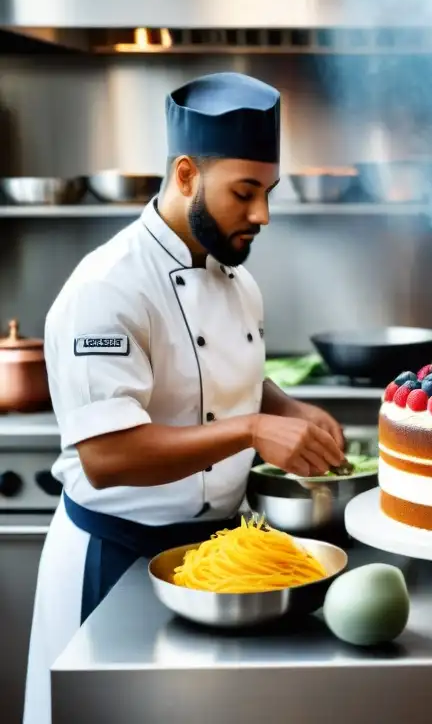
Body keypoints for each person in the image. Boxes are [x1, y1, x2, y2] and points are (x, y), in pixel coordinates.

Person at [23, 72, 345, 724]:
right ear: (188, 175)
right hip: (115, 563)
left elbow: (219, 382)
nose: (263, 214)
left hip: (218, 568)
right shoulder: (108, 288)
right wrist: (255, 430)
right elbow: (109, 457)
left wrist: (284, 409)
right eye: (244, 193)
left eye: (269, 192)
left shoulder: (238, 281)